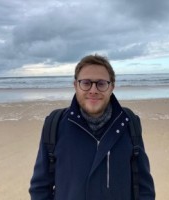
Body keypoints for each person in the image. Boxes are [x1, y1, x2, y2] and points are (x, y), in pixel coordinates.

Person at [29, 54, 155, 200]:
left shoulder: (129, 123)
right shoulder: (55, 124)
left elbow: (144, 187)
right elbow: (40, 188)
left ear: (112, 87)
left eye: (101, 83)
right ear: (75, 85)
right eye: (86, 83)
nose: (93, 90)